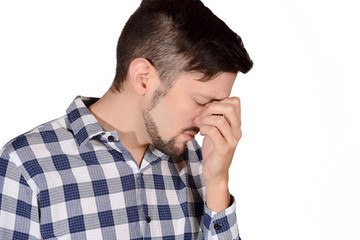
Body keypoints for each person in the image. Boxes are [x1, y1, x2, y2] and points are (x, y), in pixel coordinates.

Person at [0, 0, 253, 239]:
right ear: (143, 78)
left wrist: (218, 182)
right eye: (201, 101)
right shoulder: (26, 164)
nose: (208, 121)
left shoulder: (200, 160)